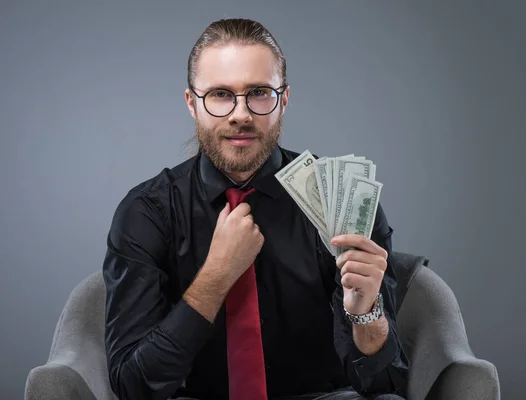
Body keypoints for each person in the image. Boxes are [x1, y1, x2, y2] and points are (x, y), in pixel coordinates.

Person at [103, 18, 408, 400]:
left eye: (259, 92)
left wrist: (366, 314)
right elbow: (134, 388)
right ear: (191, 103)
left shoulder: (341, 196)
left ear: (284, 98)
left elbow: (385, 385)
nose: (241, 114)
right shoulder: (146, 212)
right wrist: (216, 276)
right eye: (219, 94)